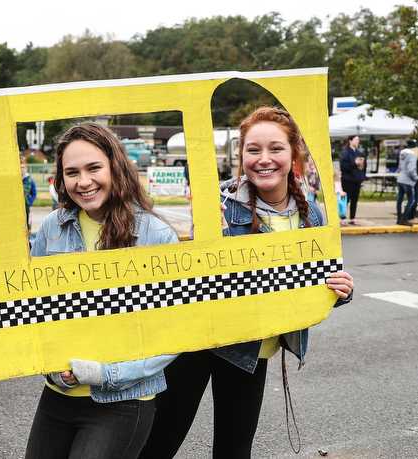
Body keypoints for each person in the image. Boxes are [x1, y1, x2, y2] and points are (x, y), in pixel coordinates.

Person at [141, 107, 355, 459]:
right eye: (253, 150)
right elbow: (195, 277)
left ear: (293, 155)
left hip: (253, 349)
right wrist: (208, 234)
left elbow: (322, 284)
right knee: (158, 444)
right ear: (241, 156)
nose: (264, 159)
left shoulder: (313, 215)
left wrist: (342, 290)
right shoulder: (220, 206)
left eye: (275, 149)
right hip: (199, 343)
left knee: (235, 450)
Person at [25, 121, 179, 459]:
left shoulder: (157, 235)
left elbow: (173, 334)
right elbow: (35, 310)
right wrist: (52, 367)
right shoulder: (52, 228)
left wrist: (106, 374)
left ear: (115, 166)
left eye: (94, 168)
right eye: (72, 172)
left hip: (124, 403)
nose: (83, 182)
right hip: (57, 396)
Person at [339, 134, 365, 225]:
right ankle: (343, 218)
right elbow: (343, 166)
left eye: (358, 139)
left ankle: (352, 218)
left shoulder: (359, 153)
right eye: (355, 139)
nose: (357, 141)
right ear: (350, 141)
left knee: (355, 200)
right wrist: (354, 163)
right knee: (346, 199)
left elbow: (363, 166)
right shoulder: (346, 153)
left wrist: (362, 176)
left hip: (357, 180)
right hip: (348, 180)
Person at [396, 139, 418, 226]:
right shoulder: (412, 156)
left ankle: (399, 217)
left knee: (400, 199)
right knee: (411, 200)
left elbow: (399, 167)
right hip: (408, 181)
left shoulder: (402, 154)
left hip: (400, 179)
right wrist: (416, 178)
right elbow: (411, 169)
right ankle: (404, 218)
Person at [20, 156, 37, 228]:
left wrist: (30, 202)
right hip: (16, 207)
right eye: (20, 167)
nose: (22, 169)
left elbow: (34, 193)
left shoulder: (30, 180)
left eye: (23, 167)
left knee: (26, 224)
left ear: (26, 168)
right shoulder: (15, 180)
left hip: (26, 207)